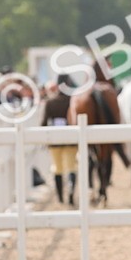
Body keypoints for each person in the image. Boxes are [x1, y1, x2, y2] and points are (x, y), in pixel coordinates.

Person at [43, 74, 76, 204]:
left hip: (55, 141)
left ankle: (60, 197)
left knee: (57, 167)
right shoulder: (72, 101)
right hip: (70, 140)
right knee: (71, 166)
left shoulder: (50, 103)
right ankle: (71, 192)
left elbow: (44, 122)